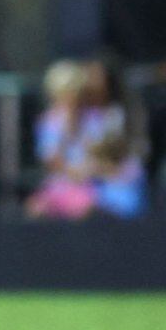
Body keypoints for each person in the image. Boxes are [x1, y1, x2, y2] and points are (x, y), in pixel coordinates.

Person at [26, 58, 145, 218]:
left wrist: (94, 168)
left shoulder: (103, 117)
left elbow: (107, 156)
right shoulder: (52, 122)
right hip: (67, 185)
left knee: (89, 206)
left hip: (96, 185)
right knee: (37, 207)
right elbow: (52, 160)